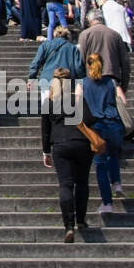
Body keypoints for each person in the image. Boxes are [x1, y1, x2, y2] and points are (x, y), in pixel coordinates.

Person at [41, 68, 92, 243]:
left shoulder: (49, 102)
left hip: (60, 145)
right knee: (82, 182)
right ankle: (81, 220)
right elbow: (90, 119)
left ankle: (69, 226)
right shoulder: (77, 99)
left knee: (65, 185)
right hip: (81, 143)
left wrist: (46, 151)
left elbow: (45, 131)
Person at [78, 52, 126, 214]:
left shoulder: (82, 83)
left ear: (87, 65)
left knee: (100, 165)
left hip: (96, 127)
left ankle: (107, 202)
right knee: (113, 155)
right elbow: (123, 101)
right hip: (114, 124)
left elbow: (77, 103)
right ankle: (117, 182)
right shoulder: (112, 82)